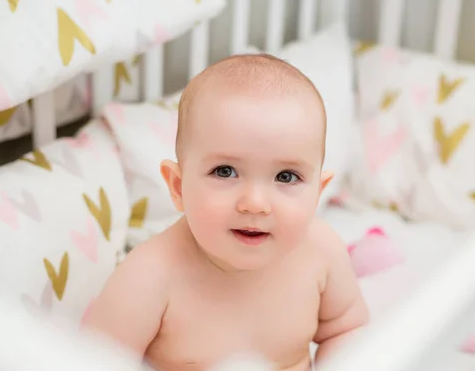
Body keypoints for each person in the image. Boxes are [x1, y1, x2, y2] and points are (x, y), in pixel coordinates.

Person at [83, 53, 369, 370]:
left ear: (317, 193)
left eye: (286, 177)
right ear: (178, 187)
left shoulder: (322, 252)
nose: (255, 203)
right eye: (225, 171)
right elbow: (87, 362)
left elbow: (348, 330)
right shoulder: (148, 278)